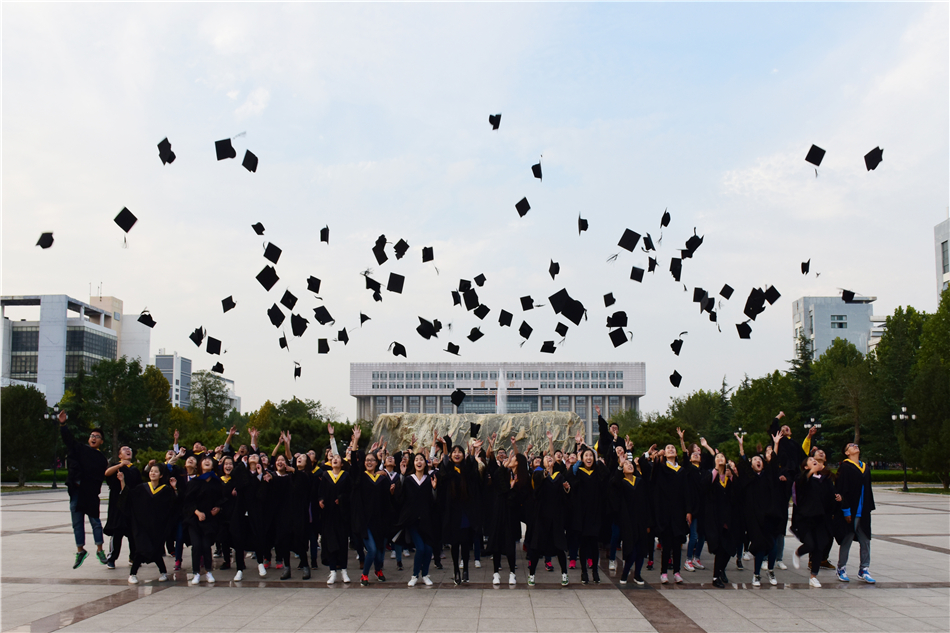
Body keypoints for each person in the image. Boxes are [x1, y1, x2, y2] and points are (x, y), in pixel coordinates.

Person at [58, 410, 109, 569]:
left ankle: (100, 549)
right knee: (77, 523)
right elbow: (69, 440)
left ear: (102, 442)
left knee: (95, 522)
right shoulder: (81, 450)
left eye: (97, 437)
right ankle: (80, 550)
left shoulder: (101, 459)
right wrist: (63, 424)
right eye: (92, 436)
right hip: (77, 492)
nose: (94, 438)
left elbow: (103, 476)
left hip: (91, 493)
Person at [118, 461, 177, 584]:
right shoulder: (142, 488)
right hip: (141, 526)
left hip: (157, 528)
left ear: (161, 475)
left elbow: (173, 507)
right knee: (140, 549)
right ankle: (133, 574)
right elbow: (128, 497)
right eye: (151, 471)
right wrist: (122, 481)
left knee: (155, 550)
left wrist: (174, 488)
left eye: (156, 471)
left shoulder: (166, 490)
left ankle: (163, 572)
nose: (153, 473)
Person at [736, 433, 783, 587]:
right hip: (754, 517)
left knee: (773, 545)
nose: (757, 461)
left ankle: (770, 570)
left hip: (770, 516)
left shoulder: (769, 476)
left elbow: (774, 465)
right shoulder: (750, 478)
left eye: (760, 460)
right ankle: (756, 575)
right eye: (755, 459)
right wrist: (741, 447)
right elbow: (742, 465)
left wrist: (775, 444)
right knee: (760, 545)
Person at [526, 434, 571, 587]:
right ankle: (531, 574)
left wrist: (566, 489)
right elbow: (536, 490)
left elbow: (565, 496)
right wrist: (545, 473)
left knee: (559, 548)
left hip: (556, 518)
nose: (549, 459)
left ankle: (564, 574)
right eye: (546, 459)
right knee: (536, 548)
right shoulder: (539, 474)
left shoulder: (559, 476)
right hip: (542, 517)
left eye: (550, 458)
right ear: (543, 463)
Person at [350, 443, 396, 586]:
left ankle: (378, 570)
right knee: (372, 550)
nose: (369, 462)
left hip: (380, 521)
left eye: (372, 460)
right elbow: (354, 466)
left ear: (377, 463)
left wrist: (391, 493)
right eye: (367, 460)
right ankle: (364, 574)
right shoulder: (361, 478)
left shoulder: (382, 479)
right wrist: (355, 444)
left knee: (380, 551)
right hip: (365, 521)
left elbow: (388, 500)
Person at [485, 434, 528, 586]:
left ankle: (512, 573)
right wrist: (503, 466)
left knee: (510, 546)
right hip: (498, 514)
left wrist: (511, 488)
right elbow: (497, 480)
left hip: (511, 517)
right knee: (496, 544)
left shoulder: (520, 480)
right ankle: (496, 573)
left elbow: (514, 498)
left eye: (513, 459)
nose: (510, 460)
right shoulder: (504, 473)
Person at [791, 455, 838, 587]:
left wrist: (838, 499)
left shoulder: (825, 479)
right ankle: (798, 552)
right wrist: (811, 472)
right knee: (810, 544)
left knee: (819, 547)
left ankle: (813, 576)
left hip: (822, 518)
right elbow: (801, 483)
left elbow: (831, 496)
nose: (814, 461)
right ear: (806, 467)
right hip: (806, 518)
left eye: (815, 460)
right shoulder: (802, 479)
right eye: (811, 460)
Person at [651, 441, 692, 584]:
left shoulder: (681, 470)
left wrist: (688, 510)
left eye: (673, 448)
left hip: (679, 511)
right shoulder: (662, 468)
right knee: (666, 544)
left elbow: (687, 491)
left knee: (677, 545)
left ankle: (677, 572)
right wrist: (657, 458)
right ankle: (663, 573)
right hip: (665, 511)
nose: (670, 450)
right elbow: (653, 476)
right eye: (668, 448)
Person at [611, 445, 653, 586]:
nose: (629, 466)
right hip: (627, 521)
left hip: (641, 521)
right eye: (626, 465)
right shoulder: (621, 483)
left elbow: (647, 503)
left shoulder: (639, 482)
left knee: (641, 550)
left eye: (630, 464)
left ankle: (638, 574)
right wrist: (620, 464)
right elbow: (613, 484)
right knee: (631, 550)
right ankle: (625, 572)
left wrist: (648, 523)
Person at [834, 442, 876, 584]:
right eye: (851, 446)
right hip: (850, 510)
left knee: (865, 540)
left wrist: (869, 507)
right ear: (846, 452)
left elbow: (868, 489)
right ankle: (841, 567)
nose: (855, 446)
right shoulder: (844, 467)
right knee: (847, 539)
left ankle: (864, 568)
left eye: (856, 445)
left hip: (863, 511)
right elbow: (841, 489)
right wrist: (845, 510)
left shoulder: (865, 467)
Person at [396, 452, 438, 586]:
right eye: (416, 460)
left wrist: (434, 489)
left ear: (425, 463)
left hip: (426, 520)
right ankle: (414, 575)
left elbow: (434, 501)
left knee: (429, 549)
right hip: (412, 520)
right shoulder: (408, 479)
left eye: (421, 460)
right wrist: (402, 475)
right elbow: (400, 496)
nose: (419, 462)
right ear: (413, 463)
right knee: (420, 548)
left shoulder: (429, 479)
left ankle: (425, 574)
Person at [182, 455, 224, 585]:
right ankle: (196, 573)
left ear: (213, 465)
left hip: (210, 520)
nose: (207, 461)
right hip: (194, 520)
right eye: (204, 460)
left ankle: (208, 571)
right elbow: (187, 502)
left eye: (209, 460)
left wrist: (218, 508)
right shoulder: (194, 482)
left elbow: (222, 499)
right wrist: (197, 512)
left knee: (206, 546)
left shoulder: (217, 483)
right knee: (196, 546)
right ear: (199, 465)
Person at [703, 451, 738, 588]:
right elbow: (704, 487)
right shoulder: (710, 474)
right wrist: (716, 470)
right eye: (717, 457)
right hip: (715, 518)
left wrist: (733, 477)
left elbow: (738, 494)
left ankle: (721, 570)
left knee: (729, 548)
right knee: (720, 548)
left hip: (729, 519)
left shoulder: (730, 476)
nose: (720, 458)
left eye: (722, 456)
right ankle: (716, 576)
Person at [103, 445, 141, 570]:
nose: (128, 450)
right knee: (117, 533)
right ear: (120, 455)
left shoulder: (134, 470)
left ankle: (133, 557)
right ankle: (112, 558)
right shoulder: (116, 467)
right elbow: (107, 473)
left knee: (132, 534)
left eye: (130, 449)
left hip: (131, 506)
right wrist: (120, 465)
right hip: (118, 506)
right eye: (125, 450)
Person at [677, 428, 709, 572]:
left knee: (702, 535)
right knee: (694, 535)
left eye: (698, 454)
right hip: (693, 507)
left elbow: (714, 460)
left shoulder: (703, 471)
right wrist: (682, 440)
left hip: (704, 507)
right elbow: (684, 454)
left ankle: (696, 558)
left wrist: (706, 446)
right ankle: (688, 560)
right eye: (693, 454)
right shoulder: (689, 469)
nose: (697, 455)